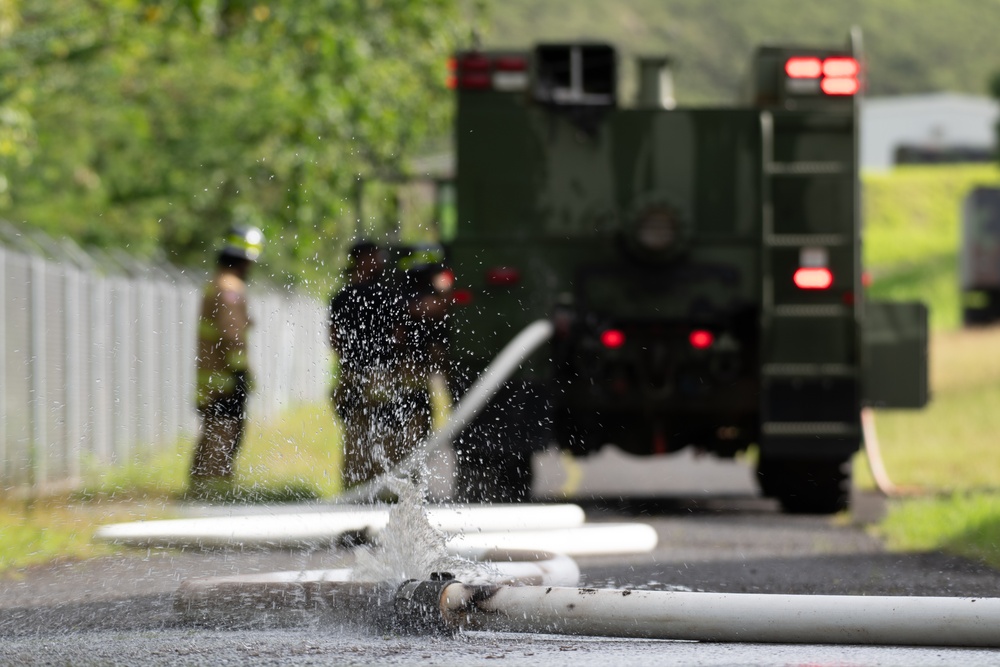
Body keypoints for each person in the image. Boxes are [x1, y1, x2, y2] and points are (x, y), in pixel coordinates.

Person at [329, 240, 424, 490]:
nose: (381, 261)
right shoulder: (386, 295)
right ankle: (387, 489)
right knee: (385, 429)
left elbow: (334, 340)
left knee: (357, 433)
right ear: (362, 260)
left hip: (353, 374)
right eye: (375, 256)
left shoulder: (341, 297)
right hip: (380, 374)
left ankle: (356, 487)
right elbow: (400, 336)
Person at [189, 225, 264, 490]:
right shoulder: (230, 288)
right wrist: (241, 372)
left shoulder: (216, 284)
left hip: (212, 383)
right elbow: (232, 336)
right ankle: (213, 491)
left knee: (212, 436)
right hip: (224, 384)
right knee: (222, 438)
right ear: (245, 260)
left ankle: (201, 488)